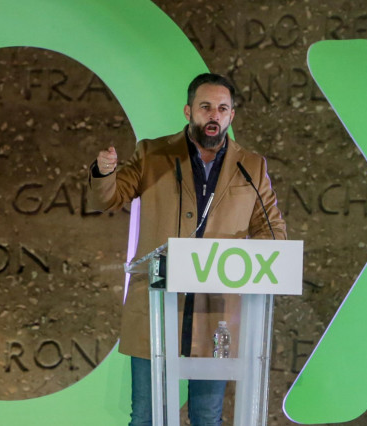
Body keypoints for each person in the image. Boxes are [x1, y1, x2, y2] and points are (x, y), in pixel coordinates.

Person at [88, 73, 287, 425]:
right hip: (157, 310)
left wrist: (256, 259)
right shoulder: (153, 154)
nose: (214, 115)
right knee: (146, 417)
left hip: (217, 315)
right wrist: (104, 173)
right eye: (205, 107)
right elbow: (111, 198)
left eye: (222, 109)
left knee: (207, 418)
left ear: (231, 116)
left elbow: (272, 231)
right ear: (188, 110)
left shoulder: (251, 166)